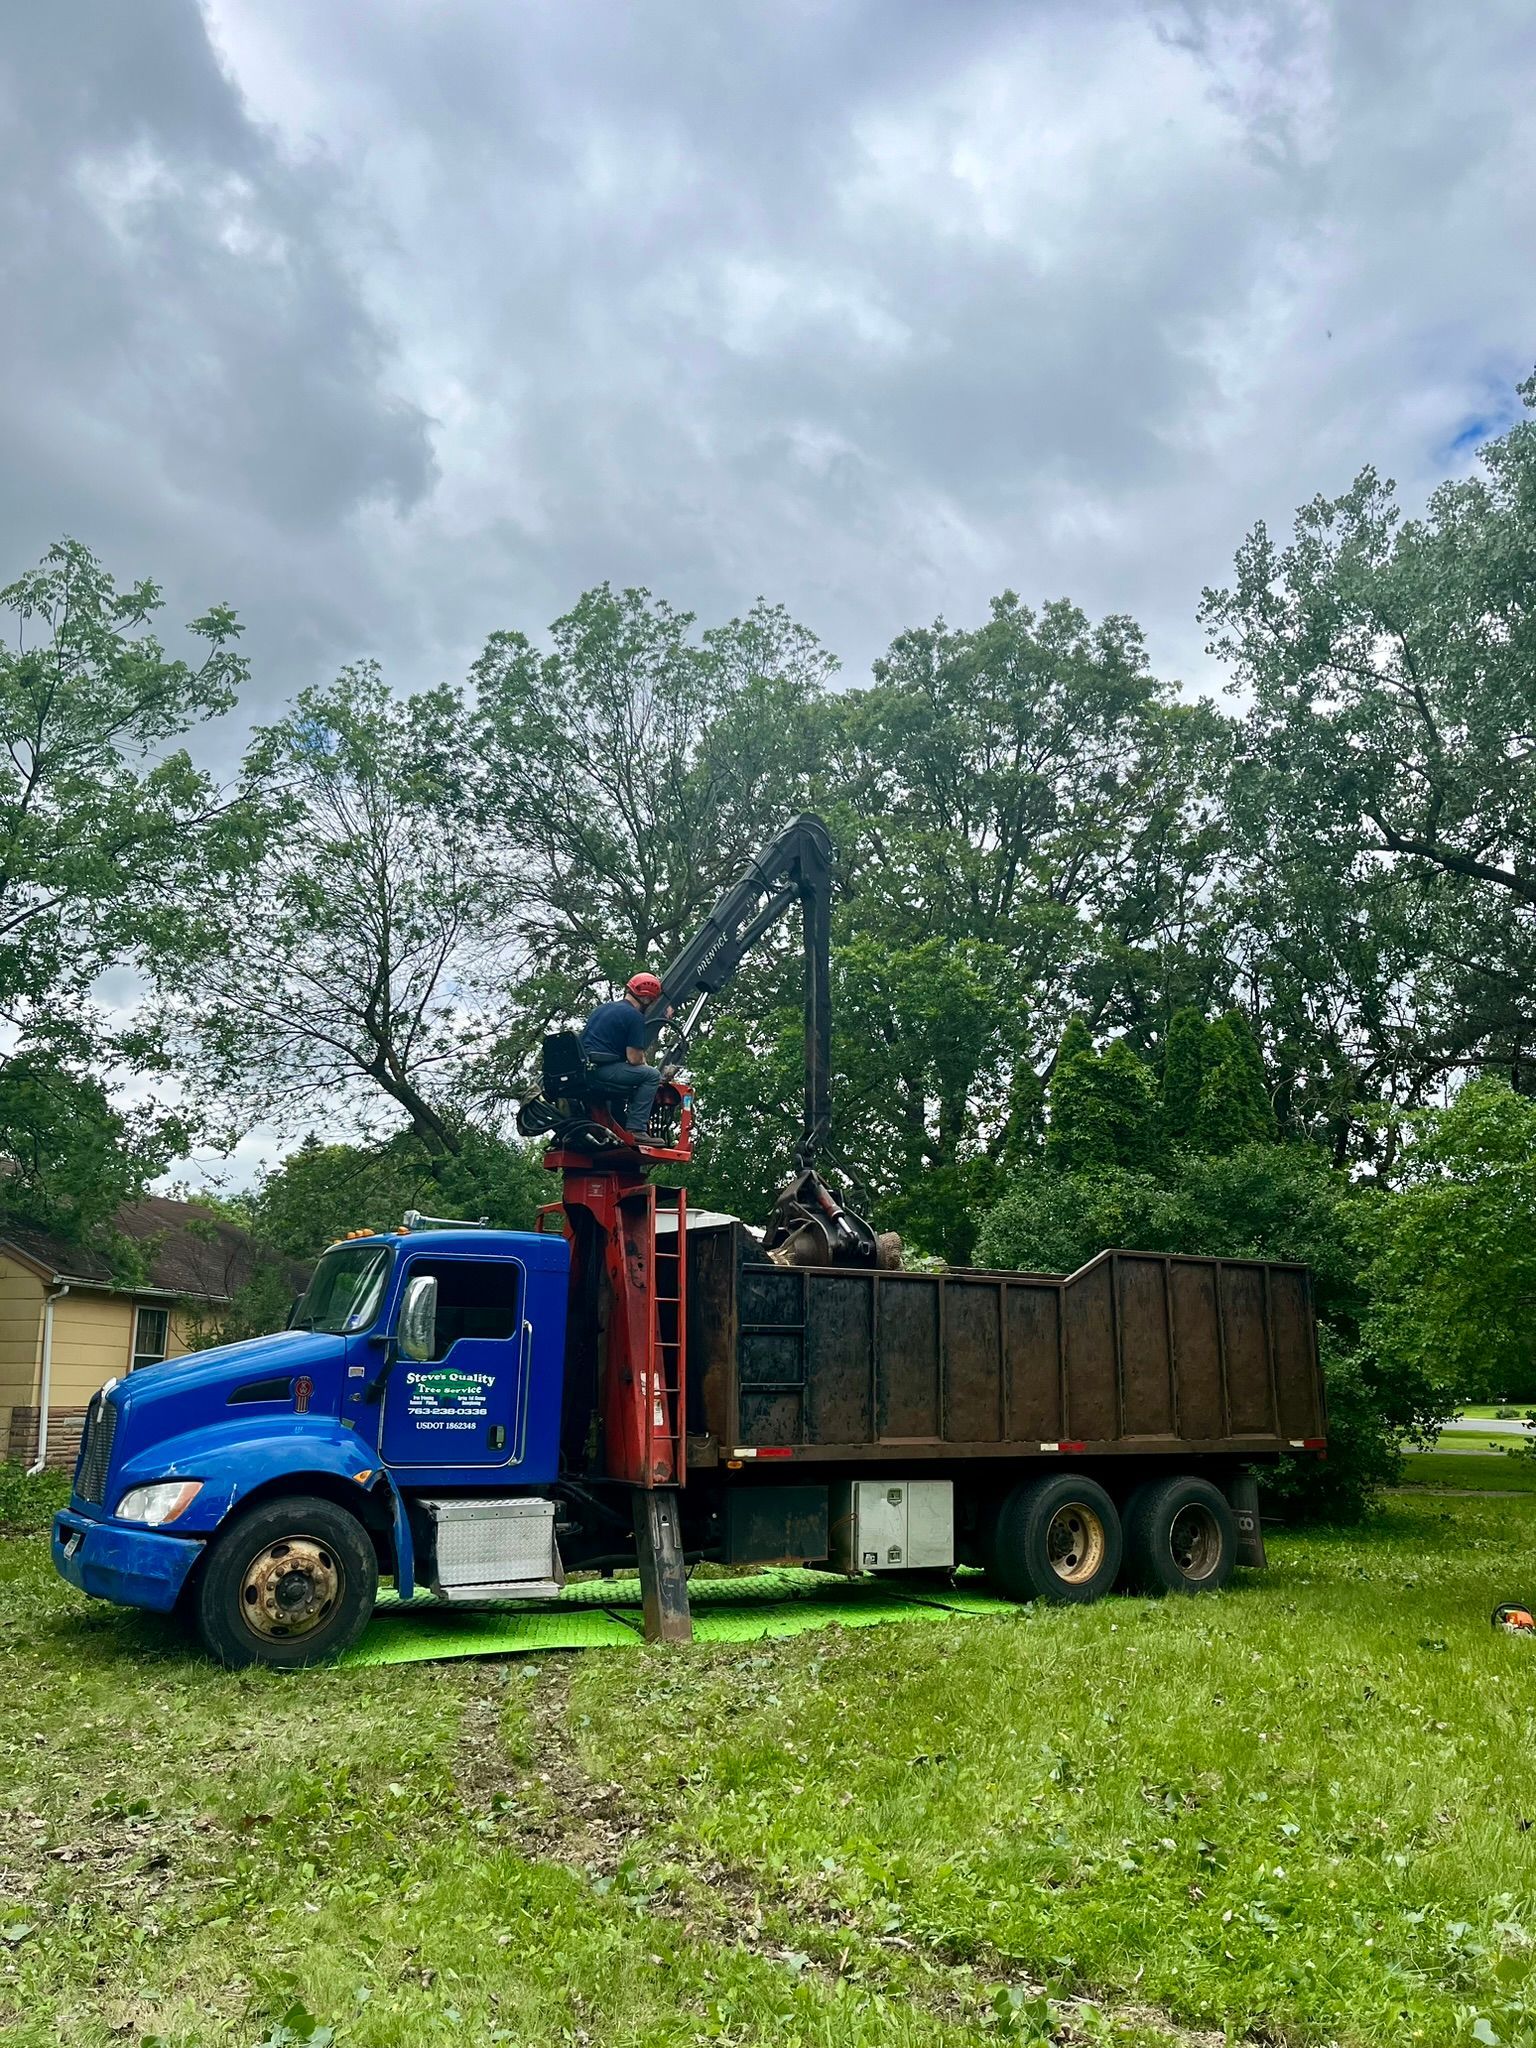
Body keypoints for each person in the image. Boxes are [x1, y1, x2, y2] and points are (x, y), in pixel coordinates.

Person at [580, 973, 672, 1136]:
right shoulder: (634, 1016)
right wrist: (647, 1067)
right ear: (646, 999)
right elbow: (634, 1058)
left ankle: (618, 1121)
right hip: (602, 1069)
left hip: (584, 1068)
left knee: (631, 1076)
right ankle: (636, 1128)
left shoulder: (603, 1008)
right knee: (651, 1075)